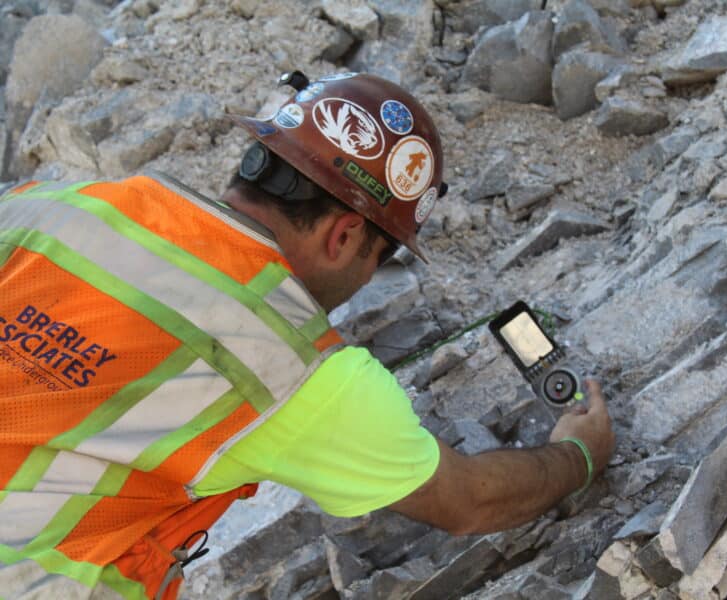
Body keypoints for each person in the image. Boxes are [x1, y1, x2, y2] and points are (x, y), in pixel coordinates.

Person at [0, 71, 615, 599]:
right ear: (345, 237)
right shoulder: (295, 370)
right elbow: (469, 501)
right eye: (382, 256)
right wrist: (579, 455)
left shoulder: (52, 205)